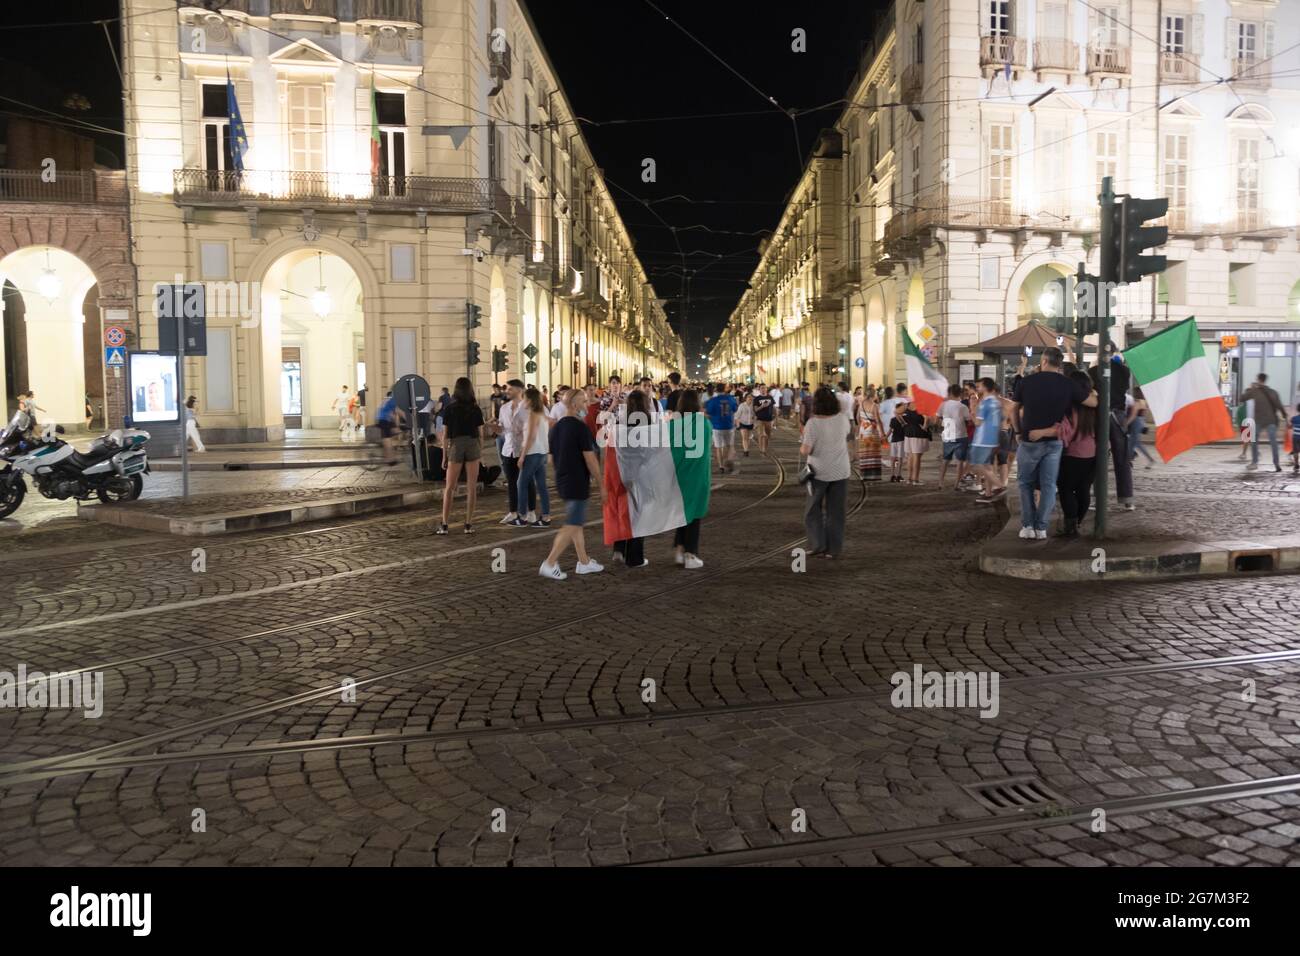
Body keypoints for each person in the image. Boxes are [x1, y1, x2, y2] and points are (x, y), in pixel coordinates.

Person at [1010, 346, 1095, 540]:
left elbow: (1014, 409)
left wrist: (1017, 431)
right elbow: (1092, 403)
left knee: (1025, 484)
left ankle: (1028, 526)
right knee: (1048, 486)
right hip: (1055, 442)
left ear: (1044, 361)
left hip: (1030, 439)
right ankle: (1041, 528)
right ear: (1059, 363)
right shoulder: (1067, 384)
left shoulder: (1028, 382)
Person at [540, 388, 603, 580]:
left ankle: (583, 562)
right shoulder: (580, 427)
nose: (587, 405)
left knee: (576, 524)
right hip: (577, 480)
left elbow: (551, 459)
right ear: (575, 405)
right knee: (572, 524)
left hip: (562, 479)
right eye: (584, 402)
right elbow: (590, 459)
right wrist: (602, 484)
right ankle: (550, 563)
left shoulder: (556, 427)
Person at [1028, 370, 1097, 537]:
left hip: (1072, 456)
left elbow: (1064, 430)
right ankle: (1078, 522)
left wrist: (1041, 432)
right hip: (1092, 456)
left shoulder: (1071, 408)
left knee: (1066, 490)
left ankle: (1071, 527)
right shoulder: (1095, 405)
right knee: (1083, 490)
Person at [605, 389, 658, 569]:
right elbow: (651, 453)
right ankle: (635, 558)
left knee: (622, 511)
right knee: (638, 516)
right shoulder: (647, 425)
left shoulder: (620, 423)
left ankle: (618, 549)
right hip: (640, 475)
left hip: (621, 474)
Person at [801, 386, 851, 559]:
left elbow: (806, 450)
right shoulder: (843, 419)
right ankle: (833, 549)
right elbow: (845, 435)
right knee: (836, 512)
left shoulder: (813, 423)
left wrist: (803, 444)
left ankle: (818, 544)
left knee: (812, 510)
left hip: (819, 472)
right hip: (841, 470)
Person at [435, 377, 484, 535]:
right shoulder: (475, 408)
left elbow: (446, 436)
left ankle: (445, 524)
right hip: (472, 444)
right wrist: (480, 452)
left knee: (450, 487)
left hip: (456, 445)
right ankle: (468, 524)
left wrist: (444, 456)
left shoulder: (450, 408)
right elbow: (481, 434)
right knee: (471, 488)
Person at [670, 388, 712, 569]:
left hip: (677, 474)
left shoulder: (673, 424)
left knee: (682, 513)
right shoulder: (704, 424)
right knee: (693, 515)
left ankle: (679, 550)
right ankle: (690, 554)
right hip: (697, 475)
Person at [497, 380, 537, 525]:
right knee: (512, 482)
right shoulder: (504, 408)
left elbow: (532, 430)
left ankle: (531, 511)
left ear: (519, 390)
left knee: (528, 481)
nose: (507, 391)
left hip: (524, 449)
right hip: (508, 449)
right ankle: (513, 512)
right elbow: (502, 429)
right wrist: (495, 428)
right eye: (507, 388)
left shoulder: (527, 408)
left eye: (510, 389)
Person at [512, 387, 552, 528]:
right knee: (541, 485)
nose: (523, 402)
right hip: (541, 453)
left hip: (532, 453)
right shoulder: (542, 414)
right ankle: (546, 517)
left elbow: (530, 437)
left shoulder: (533, 415)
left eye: (524, 398)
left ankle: (522, 516)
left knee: (521, 483)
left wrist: (522, 456)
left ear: (529, 400)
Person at [1243, 372, 1286, 473]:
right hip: (1271, 420)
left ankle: (1254, 462)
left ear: (1258, 379)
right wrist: (1284, 415)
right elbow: (1279, 405)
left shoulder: (1254, 391)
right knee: (1273, 442)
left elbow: (1242, 398)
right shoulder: (1273, 392)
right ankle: (1277, 464)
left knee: (1254, 440)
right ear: (1266, 380)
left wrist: (1251, 388)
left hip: (1259, 420)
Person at [970, 378, 1004, 502]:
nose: (977, 388)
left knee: (978, 464)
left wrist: (973, 412)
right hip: (992, 438)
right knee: (987, 466)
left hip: (982, 439)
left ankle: (999, 486)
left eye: (979, 386)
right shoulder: (996, 402)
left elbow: (978, 423)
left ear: (985, 387)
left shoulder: (984, 403)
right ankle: (988, 493)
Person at [937, 384, 972, 490]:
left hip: (948, 433)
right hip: (961, 435)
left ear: (950, 393)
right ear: (960, 393)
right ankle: (956, 484)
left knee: (945, 459)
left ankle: (940, 482)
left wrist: (944, 425)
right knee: (960, 461)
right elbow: (969, 421)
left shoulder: (943, 405)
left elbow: (937, 419)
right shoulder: (963, 406)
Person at [704, 383, 738, 473]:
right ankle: (729, 459)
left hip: (716, 427)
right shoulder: (731, 399)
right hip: (729, 425)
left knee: (718, 447)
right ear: (725, 389)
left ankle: (721, 466)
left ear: (716, 390)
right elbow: (735, 409)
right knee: (730, 445)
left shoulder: (713, 400)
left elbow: (708, 412)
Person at [854, 386, 885, 481]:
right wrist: (883, 433)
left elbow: (857, 417)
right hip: (872, 431)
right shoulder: (874, 406)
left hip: (863, 431)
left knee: (864, 453)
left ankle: (863, 475)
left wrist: (862, 426)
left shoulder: (861, 404)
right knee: (872, 453)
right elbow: (878, 420)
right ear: (873, 395)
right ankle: (873, 475)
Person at [1125, 386, 1156, 469]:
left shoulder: (1137, 402)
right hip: (1140, 422)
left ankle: (1127, 461)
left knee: (1132, 443)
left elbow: (1133, 415)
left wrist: (1126, 423)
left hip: (1136, 422)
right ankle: (1149, 459)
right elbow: (1143, 414)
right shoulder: (1144, 402)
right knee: (1137, 443)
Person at [901, 399, 929, 485]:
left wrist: (904, 423)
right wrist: (924, 427)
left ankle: (909, 478)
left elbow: (896, 412)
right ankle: (915, 479)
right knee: (917, 456)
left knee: (910, 456)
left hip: (908, 432)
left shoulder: (906, 405)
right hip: (918, 433)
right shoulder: (921, 405)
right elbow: (926, 417)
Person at [376, 391, 402, 465]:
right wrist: (407, 420)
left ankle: (388, 457)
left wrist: (395, 425)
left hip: (382, 420)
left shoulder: (386, 399)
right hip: (384, 420)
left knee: (390, 437)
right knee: (388, 440)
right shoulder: (392, 400)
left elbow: (391, 413)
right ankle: (390, 459)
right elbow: (398, 412)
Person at [887, 400, 907, 482]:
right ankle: (898, 475)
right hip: (900, 440)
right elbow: (903, 425)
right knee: (899, 459)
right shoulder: (904, 418)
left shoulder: (893, 419)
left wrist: (885, 437)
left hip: (894, 440)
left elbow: (890, 430)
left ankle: (892, 475)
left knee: (893, 458)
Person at [753, 385, 775, 454]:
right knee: (761, 434)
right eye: (762, 388)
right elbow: (755, 409)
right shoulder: (757, 399)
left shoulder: (770, 397)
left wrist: (776, 418)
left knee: (768, 435)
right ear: (759, 390)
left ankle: (765, 448)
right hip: (760, 419)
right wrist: (762, 406)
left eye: (765, 388)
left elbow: (773, 408)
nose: (763, 389)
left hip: (769, 419)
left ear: (766, 389)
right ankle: (761, 448)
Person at [734, 391, 756, 456]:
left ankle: (747, 448)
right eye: (749, 397)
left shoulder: (753, 406)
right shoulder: (742, 405)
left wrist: (755, 422)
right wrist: (737, 424)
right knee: (744, 437)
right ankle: (746, 451)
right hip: (743, 423)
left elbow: (755, 415)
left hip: (750, 423)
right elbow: (737, 416)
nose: (750, 398)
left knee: (748, 437)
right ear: (745, 398)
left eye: (751, 397)